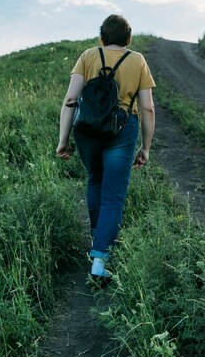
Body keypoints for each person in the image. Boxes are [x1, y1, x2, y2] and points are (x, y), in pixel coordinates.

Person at [56, 14, 156, 279]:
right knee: (113, 194)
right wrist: (145, 147)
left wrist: (63, 141)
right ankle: (100, 259)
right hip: (122, 130)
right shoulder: (137, 61)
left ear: (102, 36)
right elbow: (147, 107)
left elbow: (70, 99)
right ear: (128, 38)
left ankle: (97, 238)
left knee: (95, 180)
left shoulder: (88, 56)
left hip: (87, 130)